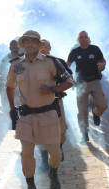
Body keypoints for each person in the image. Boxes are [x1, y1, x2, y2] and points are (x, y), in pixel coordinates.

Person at [6, 30, 73, 189]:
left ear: (38, 44)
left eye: (33, 41)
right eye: (26, 41)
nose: (29, 44)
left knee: (55, 152)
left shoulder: (51, 62)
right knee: (26, 152)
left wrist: (53, 89)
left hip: (48, 114)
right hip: (26, 116)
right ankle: (31, 186)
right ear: (23, 44)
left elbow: (69, 81)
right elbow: (9, 86)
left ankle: (53, 172)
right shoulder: (15, 65)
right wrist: (11, 107)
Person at [67, 31, 107, 142]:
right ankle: (84, 133)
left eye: (85, 37)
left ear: (89, 39)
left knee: (102, 104)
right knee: (82, 110)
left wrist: (102, 66)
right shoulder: (75, 52)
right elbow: (67, 65)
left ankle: (96, 113)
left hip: (94, 80)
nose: (84, 39)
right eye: (81, 37)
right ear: (78, 40)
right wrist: (70, 76)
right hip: (81, 83)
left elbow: (103, 61)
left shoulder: (95, 49)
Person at [39, 39, 73, 170]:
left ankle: (59, 147)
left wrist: (54, 89)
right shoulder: (31, 64)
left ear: (50, 48)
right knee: (39, 132)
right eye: (40, 47)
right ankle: (43, 159)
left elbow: (70, 80)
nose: (43, 50)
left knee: (62, 129)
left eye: (45, 47)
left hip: (55, 101)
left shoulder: (58, 62)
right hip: (38, 104)